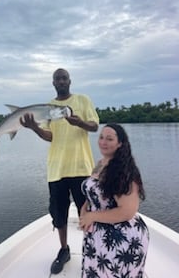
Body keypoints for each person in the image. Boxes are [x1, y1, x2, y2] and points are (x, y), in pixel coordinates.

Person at [20, 68, 99, 274]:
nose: (61, 81)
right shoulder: (48, 108)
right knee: (59, 214)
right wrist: (35, 128)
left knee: (88, 212)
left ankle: (92, 250)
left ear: (69, 81)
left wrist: (79, 122)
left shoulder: (83, 100)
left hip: (82, 167)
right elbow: (50, 136)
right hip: (57, 169)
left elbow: (94, 126)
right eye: (57, 79)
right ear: (53, 83)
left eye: (64, 78)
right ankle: (64, 250)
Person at [79, 123, 149, 278]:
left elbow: (127, 211)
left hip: (120, 238)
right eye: (101, 137)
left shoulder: (124, 171)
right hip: (97, 234)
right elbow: (92, 191)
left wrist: (92, 216)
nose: (103, 142)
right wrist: (85, 209)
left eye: (109, 139)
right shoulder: (101, 163)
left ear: (120, 144)